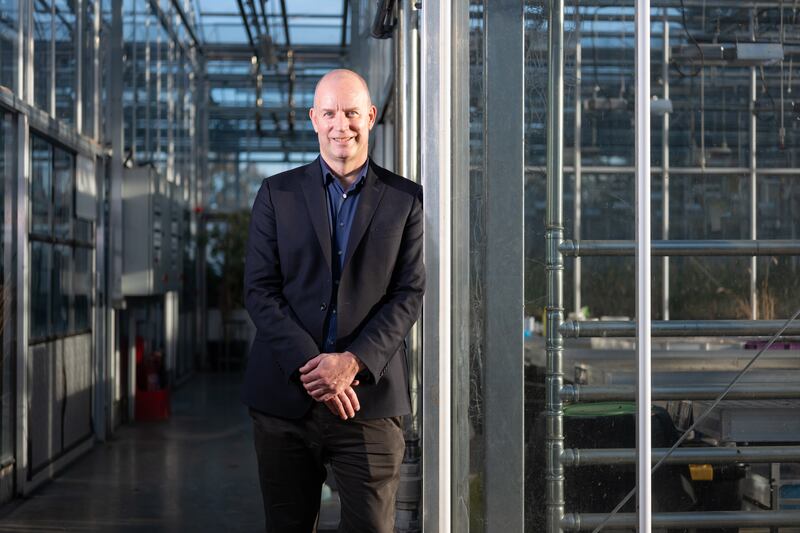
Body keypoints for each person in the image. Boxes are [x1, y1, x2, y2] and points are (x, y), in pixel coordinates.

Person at [242, 69, 425, 533]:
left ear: (371, 116)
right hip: (285, 398)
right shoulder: (276, 194)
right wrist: (315, 367)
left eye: (351, 112)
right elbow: (260, 289)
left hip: (369, 402)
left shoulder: (405, 199)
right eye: (329, 113)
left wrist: (352, 362)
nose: (340, 124)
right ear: (313, 119)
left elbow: (408, 293)